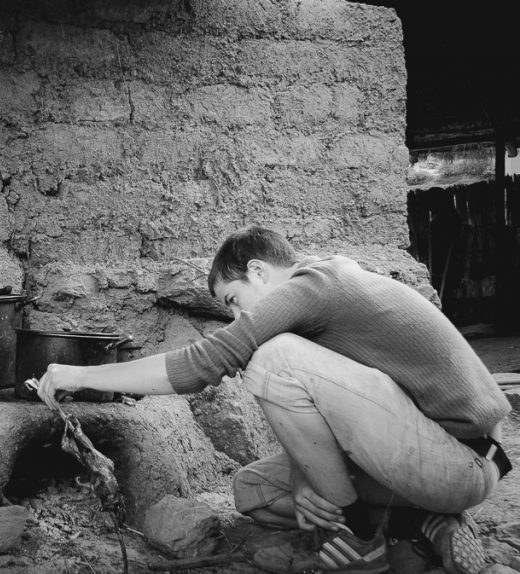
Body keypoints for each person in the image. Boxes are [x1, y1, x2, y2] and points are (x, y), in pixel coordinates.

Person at [36, 225, 511, 574]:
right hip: (413, 456)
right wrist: (308, 479)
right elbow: (344, 420)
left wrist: (79, 374)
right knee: (252, 491)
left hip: (463, 461)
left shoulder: (316, 285)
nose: (235, 316)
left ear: (259, 272)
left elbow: (204, 363)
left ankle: (360, 539)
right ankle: (420, 524)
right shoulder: (323, 303)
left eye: (233, 300)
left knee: (273, 359)